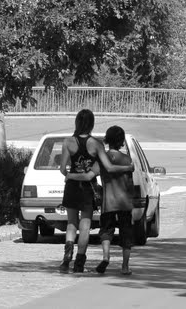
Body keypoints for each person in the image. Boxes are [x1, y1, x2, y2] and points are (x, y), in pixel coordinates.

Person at [58, 108, 133, 273]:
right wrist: (128, 167)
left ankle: (66, 259)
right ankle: (79, 263)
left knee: (71, 223)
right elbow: (109, 167)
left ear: (77, 122)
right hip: (88, 188)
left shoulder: (67, 142)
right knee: (85, 226)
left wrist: (72, 175)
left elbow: (63, 169)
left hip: (71, 187)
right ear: (91, 124)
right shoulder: (96, 144)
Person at [95, 125, 134, 276]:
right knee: (126, 234)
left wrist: (99, 188)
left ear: (107, 139)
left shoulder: (102, 158)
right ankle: (125, 266)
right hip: (124, 202)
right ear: (121, 141)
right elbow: (130, 184)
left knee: (106, 231)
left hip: (108, 201)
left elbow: (93, 173)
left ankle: (106, 257)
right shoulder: (126, 159)